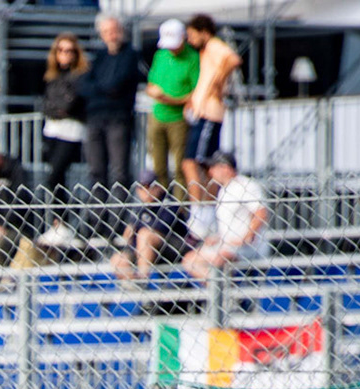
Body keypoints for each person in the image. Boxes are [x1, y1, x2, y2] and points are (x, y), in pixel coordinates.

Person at [80, 14, 142, 243]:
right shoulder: (99, 57)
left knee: (119, 172)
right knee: (96, 172)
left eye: (114, 31)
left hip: (119, 119)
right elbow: (84, 86)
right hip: (96, 119)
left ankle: (118, 224)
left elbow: (116, 85)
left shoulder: (130, 55)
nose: (111, 36)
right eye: (106, 32)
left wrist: (100, 89)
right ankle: (97, 223)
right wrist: (102, 89)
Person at [182, 15, 241, 240]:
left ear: (203, 31)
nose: (190, 40)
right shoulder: (204, 52)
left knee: (198, 163)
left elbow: (232, 59)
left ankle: (202, 215)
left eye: (192, 35)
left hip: (210, 113)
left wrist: (219, 82)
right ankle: (201, 212)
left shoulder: (215, 46)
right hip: (201, 111)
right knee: (193, 163)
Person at [35, 34, 90, 249]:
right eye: (61, 50)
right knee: (54, 178)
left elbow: (70, 103)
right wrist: (55, 108)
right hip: (52, 129)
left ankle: (64, 224)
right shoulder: (52, 75)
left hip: (72, 130)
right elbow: (47, 104)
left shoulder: (80, 76)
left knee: (55, 174)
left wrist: (59, 108)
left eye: (69, 51)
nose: (64, 55)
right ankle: (58, 224)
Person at [183, 153, 268, 282]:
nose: (210, 172)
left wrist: (247, 237)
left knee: (218, 260)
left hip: (247, 247)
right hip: (227, 244)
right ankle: (223, 293)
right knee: (190, 261)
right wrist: (217, 238)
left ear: (226, 168)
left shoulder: (246, 185)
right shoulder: (224, 190)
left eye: (214, 167)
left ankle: (224, 293)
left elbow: (260, 213)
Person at [145, 20, 197, 201]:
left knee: (180, 167)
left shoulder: (192, 58)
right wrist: (156, 94)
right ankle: (159, 209)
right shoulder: (160, 55)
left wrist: (168, 99)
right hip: (158, 116)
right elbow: (151, 84)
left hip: (179, 119)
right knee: (158, 167)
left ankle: (180, 210)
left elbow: (194, 93)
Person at [111, 168, 191, 281]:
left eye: (150, 186)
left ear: (158, 186)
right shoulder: (139, 209)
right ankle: (133, 285)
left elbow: (160, 229)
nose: (146, 191)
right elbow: (129, 233)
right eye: (142, 187)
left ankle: (143, 277)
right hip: (144, 250)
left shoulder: (169, 204)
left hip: (173, 248)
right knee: (118, 259)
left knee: (145, 235)